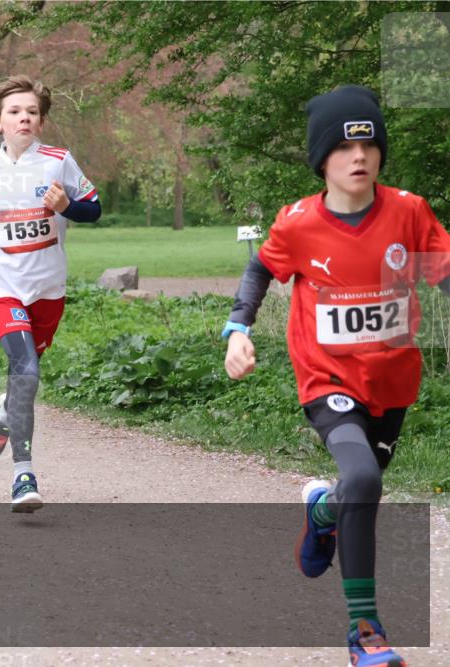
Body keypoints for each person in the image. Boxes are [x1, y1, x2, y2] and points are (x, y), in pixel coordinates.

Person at [222, 85, 450, 667]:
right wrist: (237, 329)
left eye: (370, 143)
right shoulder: (297, 222)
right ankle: (364, 632)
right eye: (346, 147)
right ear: (322, 158)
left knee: (357, 489)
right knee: (366, 482)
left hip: (394, 381)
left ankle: (322, 511)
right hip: (327, 379)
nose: (360, 157)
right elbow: (260, 270)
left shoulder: (409, 211)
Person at [0, 75, 101, 512]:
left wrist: (67, 207)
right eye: (14, 111)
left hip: (48, 287)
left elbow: (95, 208)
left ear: (41, 122)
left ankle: (4, 413)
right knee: (26, 369)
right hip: (2, 283)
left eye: (32, 111)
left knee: (23, 381)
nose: (24, 117)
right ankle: (23, 475)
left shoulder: (58, 161)